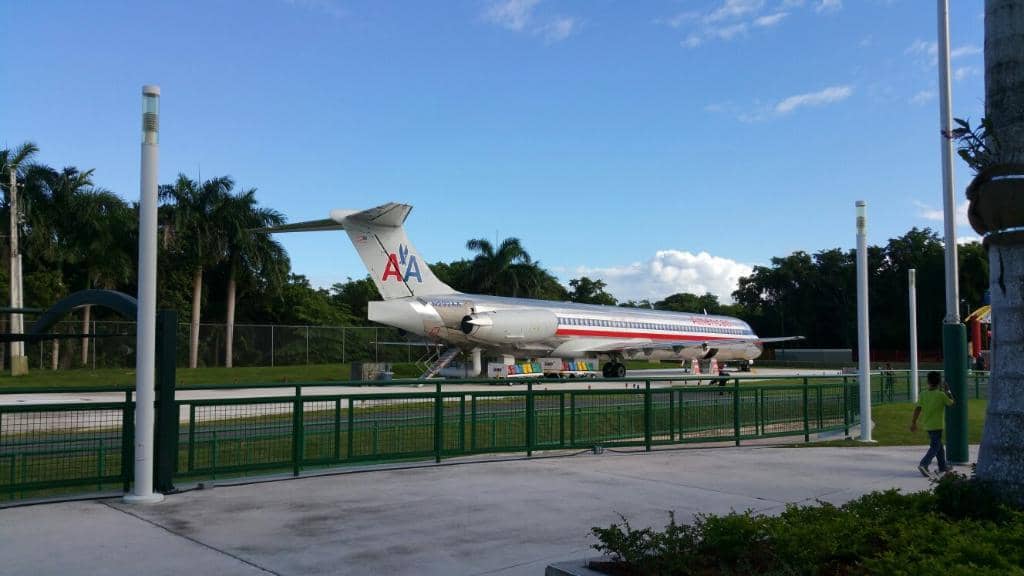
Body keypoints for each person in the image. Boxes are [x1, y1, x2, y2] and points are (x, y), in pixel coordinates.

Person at [910, 371, 955, 477]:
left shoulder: (923, 394)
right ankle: (924, 464)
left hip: (928, 425)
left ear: (928, 381)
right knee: (935, 446)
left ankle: (942, 466)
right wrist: (948, 390)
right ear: (939, 383)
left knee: (939, 446)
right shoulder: (941, 395)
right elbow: (952, 403)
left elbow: (918, 409)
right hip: (938, 425)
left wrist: (913, 422)